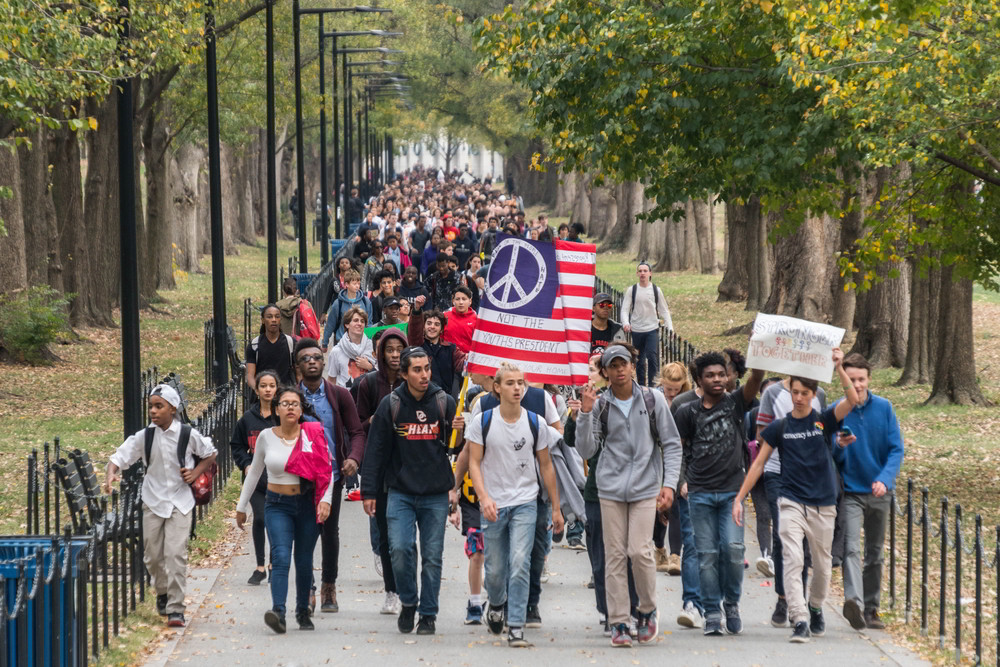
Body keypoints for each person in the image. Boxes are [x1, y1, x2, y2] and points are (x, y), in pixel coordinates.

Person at [733, 348, 859, 643]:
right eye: (796, 392)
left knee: (822, 564)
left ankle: (815, 607)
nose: (799, 397)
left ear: (814, 395)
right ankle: (799, 617)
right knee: (791, 559)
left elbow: (852, 400)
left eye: (805, 393)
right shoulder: (780, 427)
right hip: (790, 500)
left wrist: (839, 367)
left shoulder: (824, 420)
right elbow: (759, 463)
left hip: (823, 502)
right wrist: (739, 498)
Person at [574, 343, 683, 648]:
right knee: (615, 556)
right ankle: (619, 620)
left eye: (624, 364)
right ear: (605, 372)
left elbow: (672, 444)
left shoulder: (652, 399)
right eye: (613, 365)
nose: (620, 369)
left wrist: (669, 484)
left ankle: (647, 611)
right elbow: (586, 450)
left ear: (633, 367)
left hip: (645, 487)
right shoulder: (600, 404)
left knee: (639, 550)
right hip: (609, 488)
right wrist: (584, 414)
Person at [464, 363, 564, 648]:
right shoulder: (482, 421)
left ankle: (516, 625)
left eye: (521, 382)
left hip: (525, 502)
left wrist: (556, 508)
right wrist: (483, 498)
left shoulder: (536, 422)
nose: (517, 388)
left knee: (520, 563)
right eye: (510, 383)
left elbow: (546, 467)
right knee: (495, 571)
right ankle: (496, 604)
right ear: (497, 387)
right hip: (494, 503)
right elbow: (474, 462)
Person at [361, 347, 458, 636]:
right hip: (400, 493)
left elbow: (458, 450)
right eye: (417, 369)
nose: (424, 374)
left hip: (435, 494)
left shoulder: (445, 403)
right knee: (400, 550)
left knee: (432, 556)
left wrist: (461, 431)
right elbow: (375, 451)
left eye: (427, 368)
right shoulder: (390, 404)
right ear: (403, 374)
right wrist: (369, 491)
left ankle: (428, 614)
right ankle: (408, 602)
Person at [105, 384, 218, 628]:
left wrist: (195, 472)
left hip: (181, 501)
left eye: (159, 406)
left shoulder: (187, 435)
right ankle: (163, 592)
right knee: (153, 556)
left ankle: (176, 608)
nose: (153, 411)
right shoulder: (145, 436)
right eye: (151, 407)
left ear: (173, 408)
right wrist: (111, 473)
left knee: (175, 554)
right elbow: (119, 457)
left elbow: (210, 453)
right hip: (153, 501)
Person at [672, 351, 763, 636]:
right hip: (698, 494)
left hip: (732, 495)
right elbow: (679, 450)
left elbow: (756, 378)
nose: (717, 379)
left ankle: (732, 604)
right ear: (699, 380)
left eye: (721, 374)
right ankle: (712, 611)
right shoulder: (687, 412)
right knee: (707, 555)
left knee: (734, 551)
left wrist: (759, 350)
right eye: (710, 375)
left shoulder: (736, 404)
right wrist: (681, 481)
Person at [237, 387, 334, 633]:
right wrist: (241, 506)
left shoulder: (312, 434)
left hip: (306, 504)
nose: (290, 407)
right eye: (285, 403)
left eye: (295, 403)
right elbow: (254, 472)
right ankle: (278, 611)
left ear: (301, 410)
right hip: (277, 504)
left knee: (303, 560)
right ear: (277, 408)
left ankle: (302, 611)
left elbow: (326, 471)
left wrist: (326, 500)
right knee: (280, 557)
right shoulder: (266, 437)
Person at [295, 339, 366, 615]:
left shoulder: (339, 395)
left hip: (332, 476)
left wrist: (354, 458)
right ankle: (308, 587)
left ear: (323, 363)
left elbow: (357, 432)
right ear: (297, 366)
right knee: (303, 533)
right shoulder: (290, 397)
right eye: (305, 358)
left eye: (316, 357)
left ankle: (328, 586)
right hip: (298, 478)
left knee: (329, 531)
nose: (312, 361)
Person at [834, 353, 904, 631]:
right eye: (851, 380)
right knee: (851, 547)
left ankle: (872, 608)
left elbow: (896, 449)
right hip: (850, 492)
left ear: (869, 380)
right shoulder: (838, 409)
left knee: (874, 552)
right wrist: (839, 445)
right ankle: (854, 603)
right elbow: (829, 452)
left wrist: (885, 479)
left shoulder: (884, 408)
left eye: (861, 379)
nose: (857, 384)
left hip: (879, 492)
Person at [756, 374, 827, 626]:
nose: (800, 397)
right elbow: (760, 434)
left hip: (809, 476)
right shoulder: (772, 393)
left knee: (806, 540)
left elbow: (822, 432)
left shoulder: (819, 395)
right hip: (777, 471)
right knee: (784, 536)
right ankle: (784, 597)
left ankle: (803, 599)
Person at [354, 329, 407, 614]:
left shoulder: (415, 383)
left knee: (405, 538)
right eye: (390, 349)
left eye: (400, 349)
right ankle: (391, 588)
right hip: (379, 464)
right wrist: (375, 419)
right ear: (381, 353)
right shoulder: (368, 384)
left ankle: (406, 585)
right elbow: (357, 425)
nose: (395, 354)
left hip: (410, 466)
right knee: (384, 531)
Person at [230, 371, 280, 586]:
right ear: (257, 389)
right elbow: (237, 445)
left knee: (276, 522)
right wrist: (246, 464)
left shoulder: (281, 416)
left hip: (279, 480)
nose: (268, 389)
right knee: (260, 518)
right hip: (256, 481)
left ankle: (273, 564)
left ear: (277, 389)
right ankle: (260, 566)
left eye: (272, 386)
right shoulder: (247, 419)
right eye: (263, 386)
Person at [655, 361, 691, 575]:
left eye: (676, 389)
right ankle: (659, 547)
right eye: (669, 389)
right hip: (656, 458)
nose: (672, 393)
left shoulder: (687, 400)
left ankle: (675, 555)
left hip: (677, 457)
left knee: (675, 502)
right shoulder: (655, 397)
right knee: (658, 507)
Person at [620, 262, 673, 386]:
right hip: (637, 329)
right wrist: (625, 323)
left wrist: (670, 327)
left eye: (645, 271)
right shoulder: (632, 290)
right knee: (639, 359)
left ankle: (653, 386)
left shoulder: (656, 290)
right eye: (640, 271)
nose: (643, 273)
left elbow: (664, 310)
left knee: (652, 357)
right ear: (637, 273)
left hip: (652, 328)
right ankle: (642, 386)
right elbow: (625, 309)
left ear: (650, 273)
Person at [407, 308, 466, 398]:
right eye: (429, 323)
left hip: (445, 398)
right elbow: (414, 331)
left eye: (437, 324)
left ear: (441, 329)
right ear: (423, 327)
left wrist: (470, 357)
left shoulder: (451, 349)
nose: (432, 327)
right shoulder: (417, 345)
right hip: (422, 397)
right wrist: (416, 310)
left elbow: (461, 363)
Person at [246, 304, 296, 389]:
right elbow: (250, 375)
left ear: (281, 319)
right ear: (263, 320)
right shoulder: (254, 345)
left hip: (284, 394)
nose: (274, 320)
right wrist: (258, 390)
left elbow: (298, 372)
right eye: (269, 317)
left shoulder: (290, 343)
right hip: (262, 396)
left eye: (277, 316)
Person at [324, 306, 376, 387]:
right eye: (355, 320)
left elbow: (382, 376)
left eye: (362, 321)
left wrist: (369, 367)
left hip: (369, 396)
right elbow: (331, 380)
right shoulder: (336, 351)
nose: (359, 324)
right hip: (345, 396)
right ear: (347, 325)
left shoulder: (373, 347)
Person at [321, 269, 372, 348]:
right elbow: (330, 324)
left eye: (358, 283)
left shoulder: (366, 301)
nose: (357, 286)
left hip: (361, 342)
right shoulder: (338, 303)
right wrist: (325, 343)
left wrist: (369, 340)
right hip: (341, 341)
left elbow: (369, 323)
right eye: (354, 283)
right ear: (347, 284)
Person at [441, 287, 477, 354]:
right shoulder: (444, 316)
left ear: (470, 301)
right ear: (453, 301)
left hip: (467, 359)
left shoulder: (477, 319)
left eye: (464, 299)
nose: (461, 302)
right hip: (447, 357)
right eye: (457, 299)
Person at [590, 292, 626, 356]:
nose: (605, 308)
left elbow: (623, 353)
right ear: (593, 308)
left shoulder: (618, 330)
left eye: (609, 305)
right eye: (602, 305)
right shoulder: (585, 328)